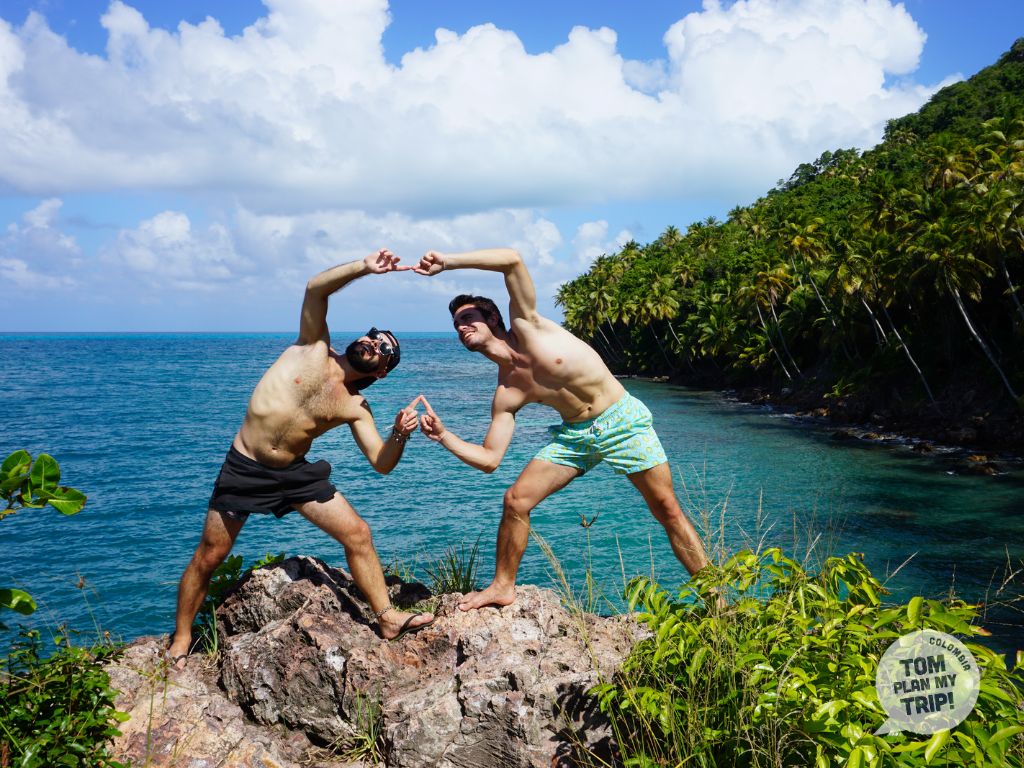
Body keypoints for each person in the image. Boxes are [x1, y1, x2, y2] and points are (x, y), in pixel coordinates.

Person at [167, 249, 434, 667]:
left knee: (358, 534)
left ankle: (387, 618)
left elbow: (381, 462)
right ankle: (181, 639)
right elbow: (315, 288)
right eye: (373, 335)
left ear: (383, 371)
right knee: (209, 556)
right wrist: (366, 268)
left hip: (294, 475)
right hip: (245, 466)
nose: (373, 343)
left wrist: (399, 434)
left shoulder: (356, 405)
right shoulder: (313, 345)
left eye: (384, 349)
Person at [411, 247, 712, 611]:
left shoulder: (527, 325)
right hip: (576, 436)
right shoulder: (506, 392)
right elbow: (490, 459)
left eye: (468, 317)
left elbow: (511, 260)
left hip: (622, 418)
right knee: (516, 500)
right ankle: (503, 586)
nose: (461, 327)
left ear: (493, 318)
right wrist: (444, 436)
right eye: (456, 324)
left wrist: (449, 261)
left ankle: (716, 599)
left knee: (667, 509)